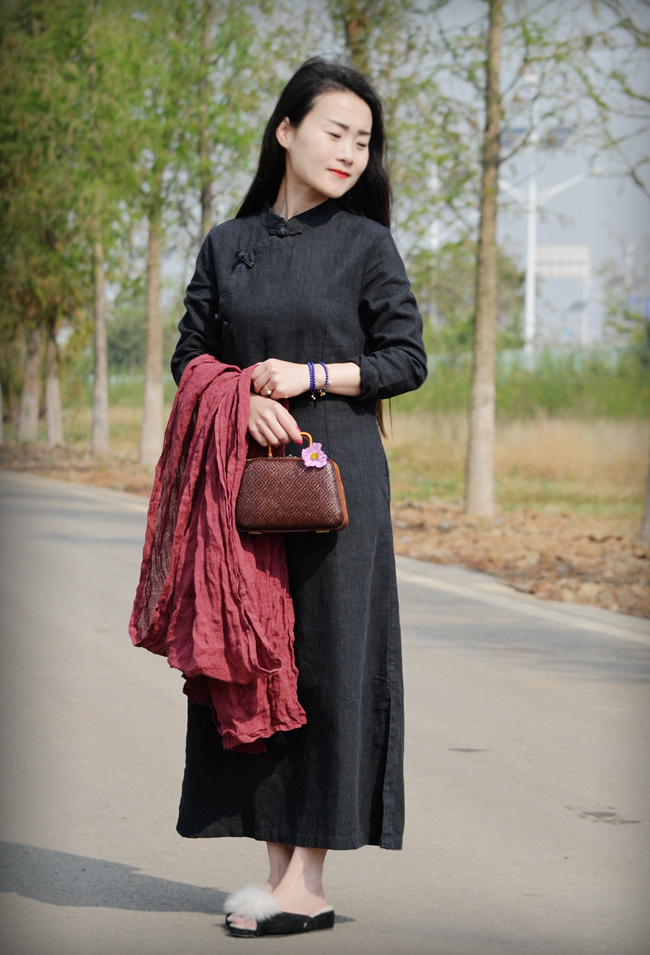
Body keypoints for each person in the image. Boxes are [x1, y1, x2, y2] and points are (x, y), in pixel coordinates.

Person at [170, 56, 427, 938]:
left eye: (364, 140)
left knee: (327, 665)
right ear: (285, 130)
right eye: (335, 131)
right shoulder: (226, 243)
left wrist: (312, 374)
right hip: (244, 484)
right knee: (258, 660)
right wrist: (240, 394)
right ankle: (277, 873)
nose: (351, 151)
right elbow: (190, 356)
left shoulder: (366, 244)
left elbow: (406, 359)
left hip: (339, 483)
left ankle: (307, 883)